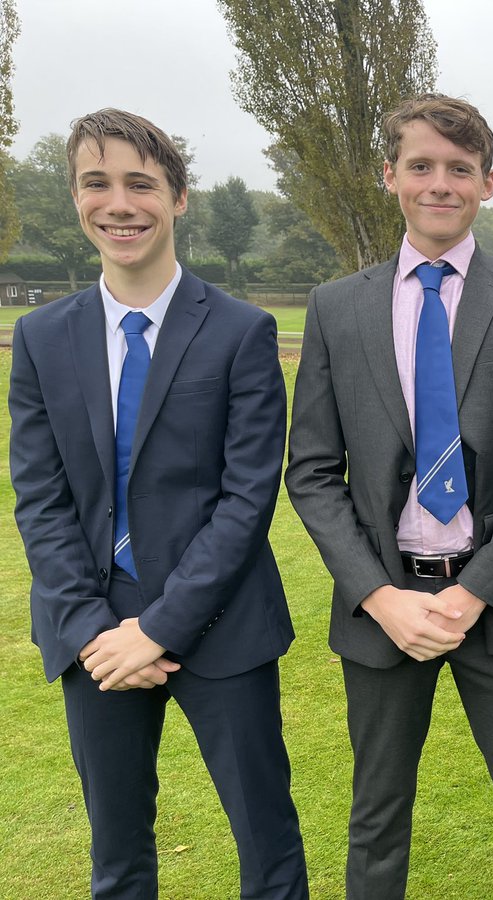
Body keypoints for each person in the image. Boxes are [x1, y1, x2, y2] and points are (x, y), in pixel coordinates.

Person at [285, 93, 493, 899]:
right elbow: (311, 470)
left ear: (487, 182)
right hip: (385, 600)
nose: (439, 183)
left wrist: (476, 593)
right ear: (390, 176)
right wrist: (379, 595)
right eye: (421, 166)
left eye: (460, 169)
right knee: (377, 812)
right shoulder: (337, 307)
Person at [8, 108, 307, 899]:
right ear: (75, 197)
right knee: (118, 860)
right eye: (95, 183)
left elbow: (247, 500)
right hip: (95, 637)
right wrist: (91, 627)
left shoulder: (242, 332)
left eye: (140, 184)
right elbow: (40, 497)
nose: (119, 204)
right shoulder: (40, 338)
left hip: (222, 626)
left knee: (268, 848)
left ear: (178, 198)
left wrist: (161, 628)